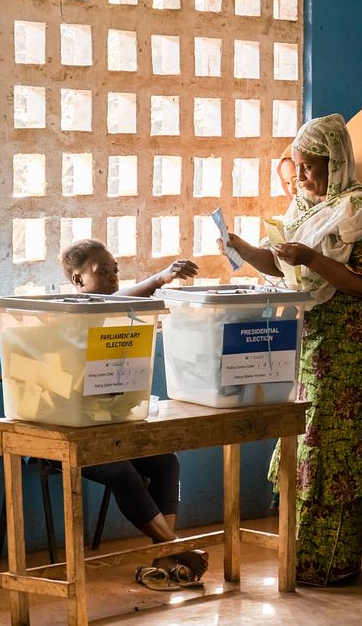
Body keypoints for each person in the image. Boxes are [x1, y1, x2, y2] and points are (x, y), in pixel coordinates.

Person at [220, 114, 362, 586]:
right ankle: (303, 558)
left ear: (337, 160)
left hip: (351, 344)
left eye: (310, 167)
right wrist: (241, 246)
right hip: (312, 341)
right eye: (297, 167)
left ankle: (333, 561)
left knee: (335, 446)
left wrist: (315, 258)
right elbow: (283, 266)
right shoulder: (305, 209)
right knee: (306, 443)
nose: (302, 178)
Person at [58, 239, 207, 585]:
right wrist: (158, 279)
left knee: (166, 461)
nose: (112, 277)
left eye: (115, 270)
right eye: (102, 271)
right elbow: (109, 302)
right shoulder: (66, 313)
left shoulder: (116, 315)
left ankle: (162, 556)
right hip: (67, 430)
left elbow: (116, 302)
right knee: (123, 472)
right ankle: (174, 548)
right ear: (79, 281)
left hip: (108, 426)